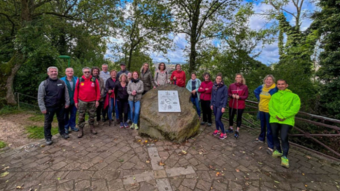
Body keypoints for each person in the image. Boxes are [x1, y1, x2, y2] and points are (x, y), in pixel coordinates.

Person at [269, 79, 301, 168]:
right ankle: (278, 150)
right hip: (274, 119)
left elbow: (295, 108)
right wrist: (276, 115)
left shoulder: (294, 96)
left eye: (282, 84)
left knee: (283, 137)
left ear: (286, 85)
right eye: (279, 84)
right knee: (274, 135)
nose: (280, 85)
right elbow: (270, 107)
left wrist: (283, 116)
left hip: (287, 120)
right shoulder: (274, 95)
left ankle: (285, 156)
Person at [38, 66, 70, 145]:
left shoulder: (62, 82)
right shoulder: (44, 83)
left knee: (61, 120)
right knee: (48, 123)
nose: (54, 73)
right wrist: (42, 108)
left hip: (60, 106)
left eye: (55, 71)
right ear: (48, 73)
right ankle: (48, 137)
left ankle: (62, 133)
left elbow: (66, 94)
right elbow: (40, 97)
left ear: (57, 72)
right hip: (49, 107)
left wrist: (67, 103)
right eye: (52, 71)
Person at [254, 74, 278, 154]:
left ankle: (270, 146)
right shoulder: (262, 87)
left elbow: (277, 99)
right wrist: (259, 99)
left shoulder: (275, 88)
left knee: (270, 129)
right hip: (261, 109)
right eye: (267, 79)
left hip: (269, 111)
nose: (268, 81)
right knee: (262, 125)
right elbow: (255, 91)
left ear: (273, 81)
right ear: (264, 80)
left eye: (270, 79)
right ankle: (261, 138)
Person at [74, 67, 100, 138]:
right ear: (83, 73)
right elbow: (76, 91)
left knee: (92, 115)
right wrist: (76, 101)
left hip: (92, 101)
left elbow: (98, 90)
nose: (87, 73)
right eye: (85, 72)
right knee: (81, 116)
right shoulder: (79, 80)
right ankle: (81, 129)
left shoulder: (94, 80)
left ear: (90, 72)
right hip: (82, 101)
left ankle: (92, 127)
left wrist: (97, 100)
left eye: (88, 72)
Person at [226, 73, 249, 139]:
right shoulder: (231, 85)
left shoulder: (245, 87)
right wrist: (231, 95)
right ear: (235, 78)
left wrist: (240, 97)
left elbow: (246, 96)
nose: (238, 78)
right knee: (231, 116)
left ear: (242, 78)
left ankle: (237, 130)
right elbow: (228, 93)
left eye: (240, 77)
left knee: (239, 117)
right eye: (237, 77)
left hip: (240, 105)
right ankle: (231, 128)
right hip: (232, 104)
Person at [61, 67, 79, 135]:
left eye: (71, 71)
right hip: (65, 101)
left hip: (74, 101)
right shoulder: (62, 80)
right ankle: (66, 127)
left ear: (73, 72)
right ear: (65, 73)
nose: (70, 72)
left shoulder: (77, 79)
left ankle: (73, 126)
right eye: (68, 71)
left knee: (73, 114)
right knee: (65, 115)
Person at [211, 73, 228, 140]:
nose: (218, 80)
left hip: (220, 105)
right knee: (216, 118)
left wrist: (224, 106)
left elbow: (225, 97)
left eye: (219, 79)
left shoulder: (224, 87)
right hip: (215, 105)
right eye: (217, 78)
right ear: (216, 79)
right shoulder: (214, 86)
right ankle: (217, 129)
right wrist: (211, 104)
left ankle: (224, 133)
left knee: (218, 119)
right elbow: (212, 96)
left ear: (221, 80)